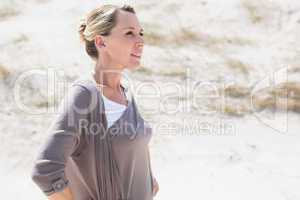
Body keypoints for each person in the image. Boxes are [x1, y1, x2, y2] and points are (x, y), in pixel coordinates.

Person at [31, 4, 159, 200]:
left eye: (141, 33)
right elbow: (45, 171)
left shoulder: (125, 93)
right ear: (101, 42)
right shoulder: (85, 95)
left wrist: (150, 184)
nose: (140, 41)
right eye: (129, 33)